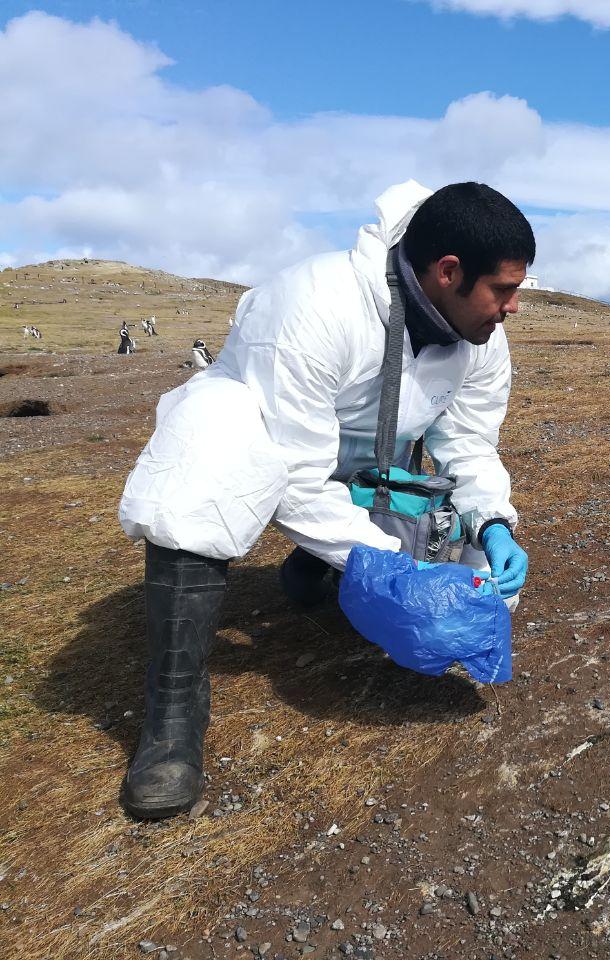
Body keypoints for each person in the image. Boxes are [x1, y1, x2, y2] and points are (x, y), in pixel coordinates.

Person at [116, 181, 533, 819]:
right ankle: (173, 718)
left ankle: (317, 570)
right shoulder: (313, 305)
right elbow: (296, 473)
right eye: (503, 291)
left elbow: (469, 446)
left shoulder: (480, 340)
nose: (510, 309)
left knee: (458, 591)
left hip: (374, 466)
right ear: (449, 272)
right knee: (206, 446)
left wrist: (493, 523)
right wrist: (395, 562)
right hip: (266, 451)